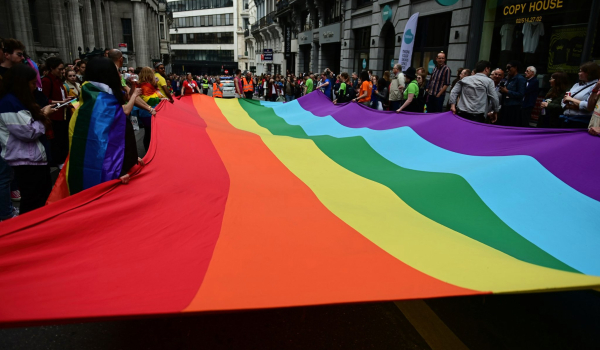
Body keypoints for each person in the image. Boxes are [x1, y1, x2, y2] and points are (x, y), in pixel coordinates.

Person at [47, 57, 143, 203]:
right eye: (116, 71)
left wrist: (130, 158)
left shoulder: (98, 97)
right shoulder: (100, 103)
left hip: (117, 166)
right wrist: (119, 170)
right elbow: (98, 145)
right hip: (110, 174)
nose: (119, 75)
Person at [0, 64, 56, 214]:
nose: (34, 87)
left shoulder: (19, 100)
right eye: (32, 83)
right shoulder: (9, 103)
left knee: (41, 197)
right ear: (22, 83)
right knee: (32, 201)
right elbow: (28, 132)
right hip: (25, 160)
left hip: (33, 158)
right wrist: (44, 116)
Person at [41, 56, 71, 167]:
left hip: (62, 114)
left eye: (63, 69)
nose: (62, 71)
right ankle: (58, 161)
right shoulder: (46, 80)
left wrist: (65, 102)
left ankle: (63, 159)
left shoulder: (58, 81)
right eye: (59, 69)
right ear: (52, 68)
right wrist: (61, 102)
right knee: (57, 140)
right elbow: (45, 99)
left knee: (63, 138)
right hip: (54, 115)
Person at [561, 61, 600, 128]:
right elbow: (563, 100)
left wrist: (571, 100)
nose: (579, 73)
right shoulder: (577, 85)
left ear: (589, 73)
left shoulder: (596, 86)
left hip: (580, 121)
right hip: (566, 118)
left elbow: (589, 106)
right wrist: (572, 106)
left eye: (581, 71)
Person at [498, 60, 526, 126]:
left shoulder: (520, 79)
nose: (507, 70)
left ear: (515, 67)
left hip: (514, 107)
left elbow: (521, 94)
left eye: (509, 68)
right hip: (506, 105)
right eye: (506, 68)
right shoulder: (509, 78)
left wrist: (507, 91)